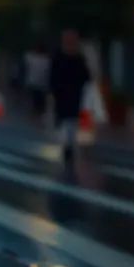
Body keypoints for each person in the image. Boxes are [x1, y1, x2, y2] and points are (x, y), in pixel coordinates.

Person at [48, 29, 91, 165]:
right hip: (64, 94)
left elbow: (86, 76)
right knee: (66, 120)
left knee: (70, 120)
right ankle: (67, 144)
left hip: (72, 94)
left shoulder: (77, 58)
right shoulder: (62, 57)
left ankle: (69, 144)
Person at [23, 42, 50, 121]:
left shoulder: (46, 59)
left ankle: (37, 118)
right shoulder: (30, 57)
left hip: (41, 85)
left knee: (40, 105)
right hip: (33, 84)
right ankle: (33, 117)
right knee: (33, 103)